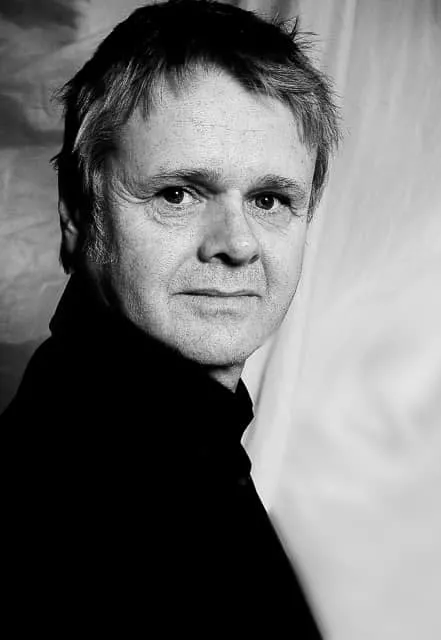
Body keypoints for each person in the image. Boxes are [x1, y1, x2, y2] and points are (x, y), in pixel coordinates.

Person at [1, 0, 340, 636]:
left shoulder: (185, 458)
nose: (237, 243)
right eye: (177, 194)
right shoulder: (83, 505)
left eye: (270, 199)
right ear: (77, 214)